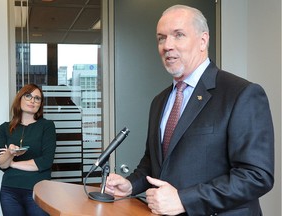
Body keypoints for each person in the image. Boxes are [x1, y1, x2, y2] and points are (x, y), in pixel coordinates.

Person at [105, 5, 274, 216]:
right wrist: (131, 185)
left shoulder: (241, 93)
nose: (167, 45)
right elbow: (154, 163)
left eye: (179, 35)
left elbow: (256, 175)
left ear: (203, 41)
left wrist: (184, 200)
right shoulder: (159, 101)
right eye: (161, 38)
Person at [0, 84, 56, 216]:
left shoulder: (47, 126)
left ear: (40, 104)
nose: (32, 101)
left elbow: (45, 162)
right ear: (20, 98)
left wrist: (12, 163)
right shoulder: (4, 128)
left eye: (37, 98)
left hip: (38, 190)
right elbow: (1, 164)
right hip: (9, 191)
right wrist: (9, 153)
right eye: (28, 96)